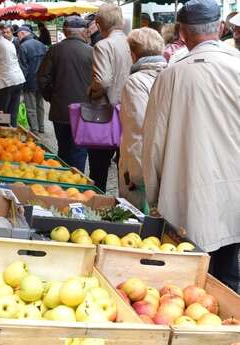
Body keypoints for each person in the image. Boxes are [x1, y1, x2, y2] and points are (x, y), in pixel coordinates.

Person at [142, 0, 240, 293]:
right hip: (235, 190)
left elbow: (153, 143)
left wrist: (154, 194)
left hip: (187, 192)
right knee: (228, 272)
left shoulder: (171, 75)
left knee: (190, 281)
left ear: (182, 33)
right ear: (221, 28)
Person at [118, 27, 167, 211]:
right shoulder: (171, 74)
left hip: (143, 173)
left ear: (132, 54)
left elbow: (137, 131)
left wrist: (136, 175)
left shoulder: (136, 82)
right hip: (165, 167)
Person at [37, 16, 92, 171]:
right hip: (84, 111)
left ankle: (62, 183)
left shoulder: (54, 50)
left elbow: (42, 78)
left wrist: (51, 97)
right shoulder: (91, 52)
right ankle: (77, 188)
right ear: (84, 32)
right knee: (79, 152)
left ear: (65, 31)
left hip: (60, 110)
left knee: (63, 151)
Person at [89, 3, 132, 192]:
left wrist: (91, 93)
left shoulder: (103, 45)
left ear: (98, 25)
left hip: (106, 112)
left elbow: (102, 80)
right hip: (130, 110)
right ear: (121, 21)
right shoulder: (132, 41)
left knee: (99, 169)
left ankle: (99, 202)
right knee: (126, 165)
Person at [17, 26, 47, 133]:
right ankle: (41, 127)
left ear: (22, 33)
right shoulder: (41, 45)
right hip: (42, 80)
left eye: (18, 35)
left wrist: (21, 83)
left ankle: (34, 129)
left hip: (29, 81)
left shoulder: (23, 46)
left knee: (30, 107)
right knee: (40, 105)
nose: (17, 37)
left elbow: (23, 68)